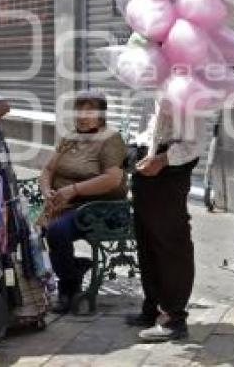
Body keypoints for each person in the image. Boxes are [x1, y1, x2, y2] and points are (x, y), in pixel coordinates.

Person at [38, 92, 127, 314]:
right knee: (26, 229)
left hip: (99, 208)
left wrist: (73, 190)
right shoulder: (70, 137)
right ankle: (71, 272)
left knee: (56, 230)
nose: (83, 117)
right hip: (65, 204)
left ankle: (68, 285)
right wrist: (47, 190)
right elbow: (48, 170)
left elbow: (113, 179)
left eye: (90, 112)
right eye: (79, 111)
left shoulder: (110, 138)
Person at [127, 102, 206, 343]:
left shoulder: (188, 90)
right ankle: (152, 306)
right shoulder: (156, 84)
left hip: (167, 170)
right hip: (146, 166)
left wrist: (162, 159)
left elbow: (193, 144)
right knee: (147, 241)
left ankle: (174, 316)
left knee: (170, 242)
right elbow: (151, 128)